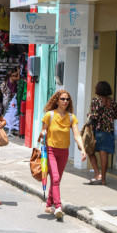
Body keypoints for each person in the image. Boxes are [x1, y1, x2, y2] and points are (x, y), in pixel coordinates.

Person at [38, 90, 87, 220]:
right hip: (51, 151)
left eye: (67, 99)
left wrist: (82, 149)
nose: (65, 101)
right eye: (63, 99)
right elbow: (43, 131)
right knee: (55, 178)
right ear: (57, 100)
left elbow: (77, 134)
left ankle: (49, 205)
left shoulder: (71, 117)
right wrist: (43, 133)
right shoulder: (49, 115)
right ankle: (58, 207)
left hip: (64, 152)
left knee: (57, 179)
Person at [88, 81, 117, 185]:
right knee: (104, 154)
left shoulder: (96, 100)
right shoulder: (112, 102)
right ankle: (103, 180)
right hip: (109, 131)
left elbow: (95, 116)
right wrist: (109, 116)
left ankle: (97, 173)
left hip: (98, 130)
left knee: (90, 151)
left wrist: (89, 115)